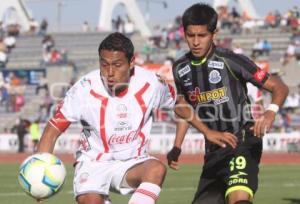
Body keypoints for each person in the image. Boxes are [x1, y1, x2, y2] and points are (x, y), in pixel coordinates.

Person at [167, 3, 289, 204]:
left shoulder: (232, 61)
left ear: (214, 34)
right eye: (191, 35)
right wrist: (177, 146)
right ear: (184, 34)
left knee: (238, 198)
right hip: (213, 150)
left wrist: (270, 112)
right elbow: (184, 109)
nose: (196, 42)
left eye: (202, 35)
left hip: (241, 139)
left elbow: (279, 87)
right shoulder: (180, 68)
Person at [37, 32, 175, 204]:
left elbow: (180, 103)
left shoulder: (151, 83)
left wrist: (196, 135)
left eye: (117, 65)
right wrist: (39, 172)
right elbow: (52, 129)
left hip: (132, 162)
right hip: (92, 163)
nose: (110, 72)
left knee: (156, 169)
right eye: (104, 64)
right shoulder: (83, 89)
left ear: (131, 62)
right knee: (90, 200)